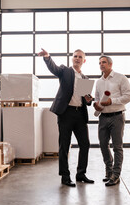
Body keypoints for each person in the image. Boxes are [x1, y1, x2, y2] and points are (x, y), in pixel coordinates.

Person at [38, 48, 94, 187]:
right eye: (75, 56)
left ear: (84, 60)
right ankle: (65, 176)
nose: (77, 58)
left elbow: (86, 100)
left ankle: (81, 174)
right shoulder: (65, 71)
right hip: (66, 113)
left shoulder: (85, 79)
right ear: (72, 58)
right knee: (64, 145)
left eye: (80, 57)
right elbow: (54, 69)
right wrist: (47, 57)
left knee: (85, 144)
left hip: (80, 114)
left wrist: (89, 100)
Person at [94, 55, 130, 186]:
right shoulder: (98, 82)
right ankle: (108, 170)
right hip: (103, 117)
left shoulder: (121, 78)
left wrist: (112, 101)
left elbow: (129, 96)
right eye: (100, 63)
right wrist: (96, 105)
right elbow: (97, 98)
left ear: (110, 64)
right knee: (103, 145)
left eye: (104, 62)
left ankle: (115, 175)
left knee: (117, 147)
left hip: (117, 117)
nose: (101, 64)